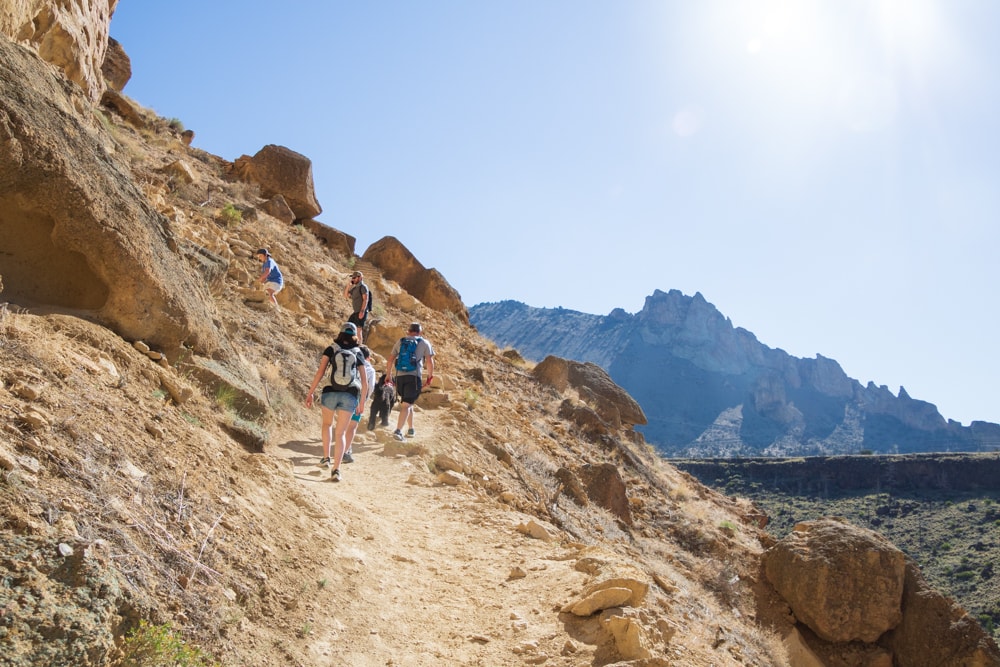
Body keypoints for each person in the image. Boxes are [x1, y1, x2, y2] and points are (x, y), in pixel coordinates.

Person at [304, 322, 368, 482]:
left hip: (330, 391)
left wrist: (310, 393)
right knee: (340, 433)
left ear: (340, 333)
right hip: (350, 394)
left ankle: (326, 458)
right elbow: (365, 381)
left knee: (327, 425)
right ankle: (336, 470)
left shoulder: (331, 348)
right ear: (354, 335)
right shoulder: (358, 352)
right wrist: (362, 403)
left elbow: (320, 372)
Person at [386, 322, 434, 442]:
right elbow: (429, 362)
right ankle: (398, 431)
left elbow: (390, 359)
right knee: (407, 404)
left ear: (408, 331)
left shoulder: (401, 341)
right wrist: (429, 377)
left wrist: (388, 375)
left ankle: (411, 428)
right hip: (414, 377)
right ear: (420, 332)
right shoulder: (424, 342)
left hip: (400, 377)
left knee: (407, 403)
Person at [343, 345, 376, 463]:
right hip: (357, 398)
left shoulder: (349, 362)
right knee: (352, 426)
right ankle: (345, 452)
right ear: (368, 357)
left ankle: (340, 449)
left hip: (343, 396)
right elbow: (370, 387)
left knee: (343, 425)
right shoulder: (370, 369)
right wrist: (364, 400)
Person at [343, 271, 370, 343]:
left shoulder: (363, 287)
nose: (353, 279)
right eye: (352, 278)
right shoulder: (355, 288)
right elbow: (346, 296)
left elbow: (365, 299)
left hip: (361, 311)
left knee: (358, 329)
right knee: (348, 326)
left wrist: (362, 311)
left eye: (354, 278)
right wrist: (349, 285)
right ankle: (348, 342)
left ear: (360, 278)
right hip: (355, 312)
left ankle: (359, 346)